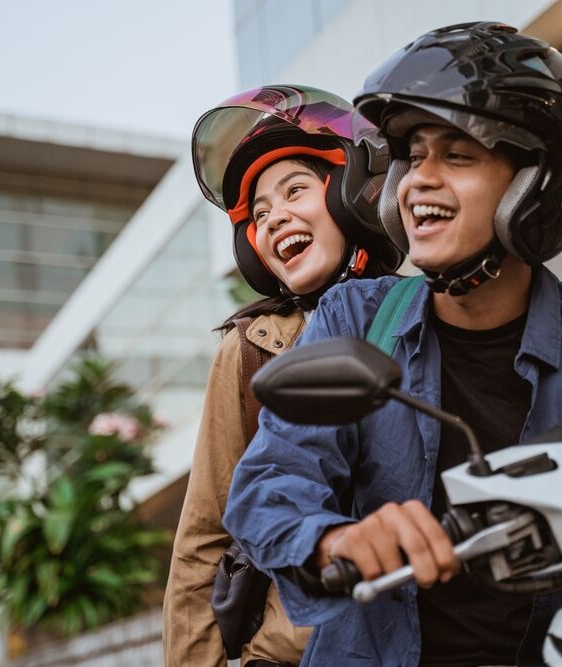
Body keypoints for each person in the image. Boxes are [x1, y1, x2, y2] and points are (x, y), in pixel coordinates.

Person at [224, 23, 562, 667]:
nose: (418, 181)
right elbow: (272, 482)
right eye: (413, 155)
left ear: (537, 182)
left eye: (459, 154)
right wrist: (339, 540)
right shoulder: (356, 318)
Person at [162, 85, 404, 667]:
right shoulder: (250, 350)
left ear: (353, 193)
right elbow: (203, 538)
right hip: (292, 652)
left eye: (295, 190)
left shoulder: (429, 314)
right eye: (260, 213)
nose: (275, 220)